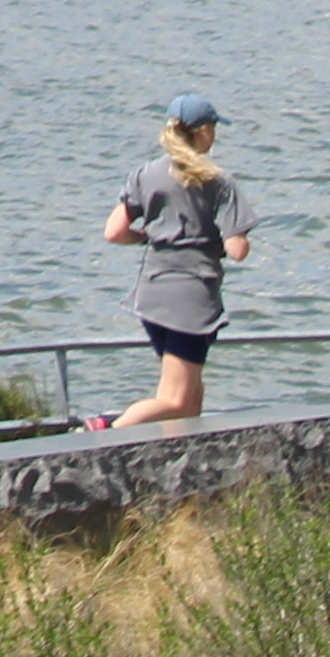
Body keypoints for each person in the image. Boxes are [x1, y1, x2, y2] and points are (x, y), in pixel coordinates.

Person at [93, 97, 252, 432]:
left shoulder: (145, 174)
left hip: (151, 295)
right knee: (175, 400)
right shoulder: (219, 181)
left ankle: (180, 457)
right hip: (190, 301)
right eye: (215, 130)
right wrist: (233, 236)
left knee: (191, 395)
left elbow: (114, 232)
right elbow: (237, 250)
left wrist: (149, 237)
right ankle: (107, 430)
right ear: (204, 132)